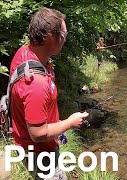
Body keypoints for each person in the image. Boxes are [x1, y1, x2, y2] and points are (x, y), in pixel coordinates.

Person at [9, 7, 89, 179]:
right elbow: (38, 134)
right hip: (41, 154)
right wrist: (69, 123)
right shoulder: (35, 84)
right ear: (51, 36)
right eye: (64, 35)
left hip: (28, 147)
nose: (65, 40)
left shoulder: (25, 53)